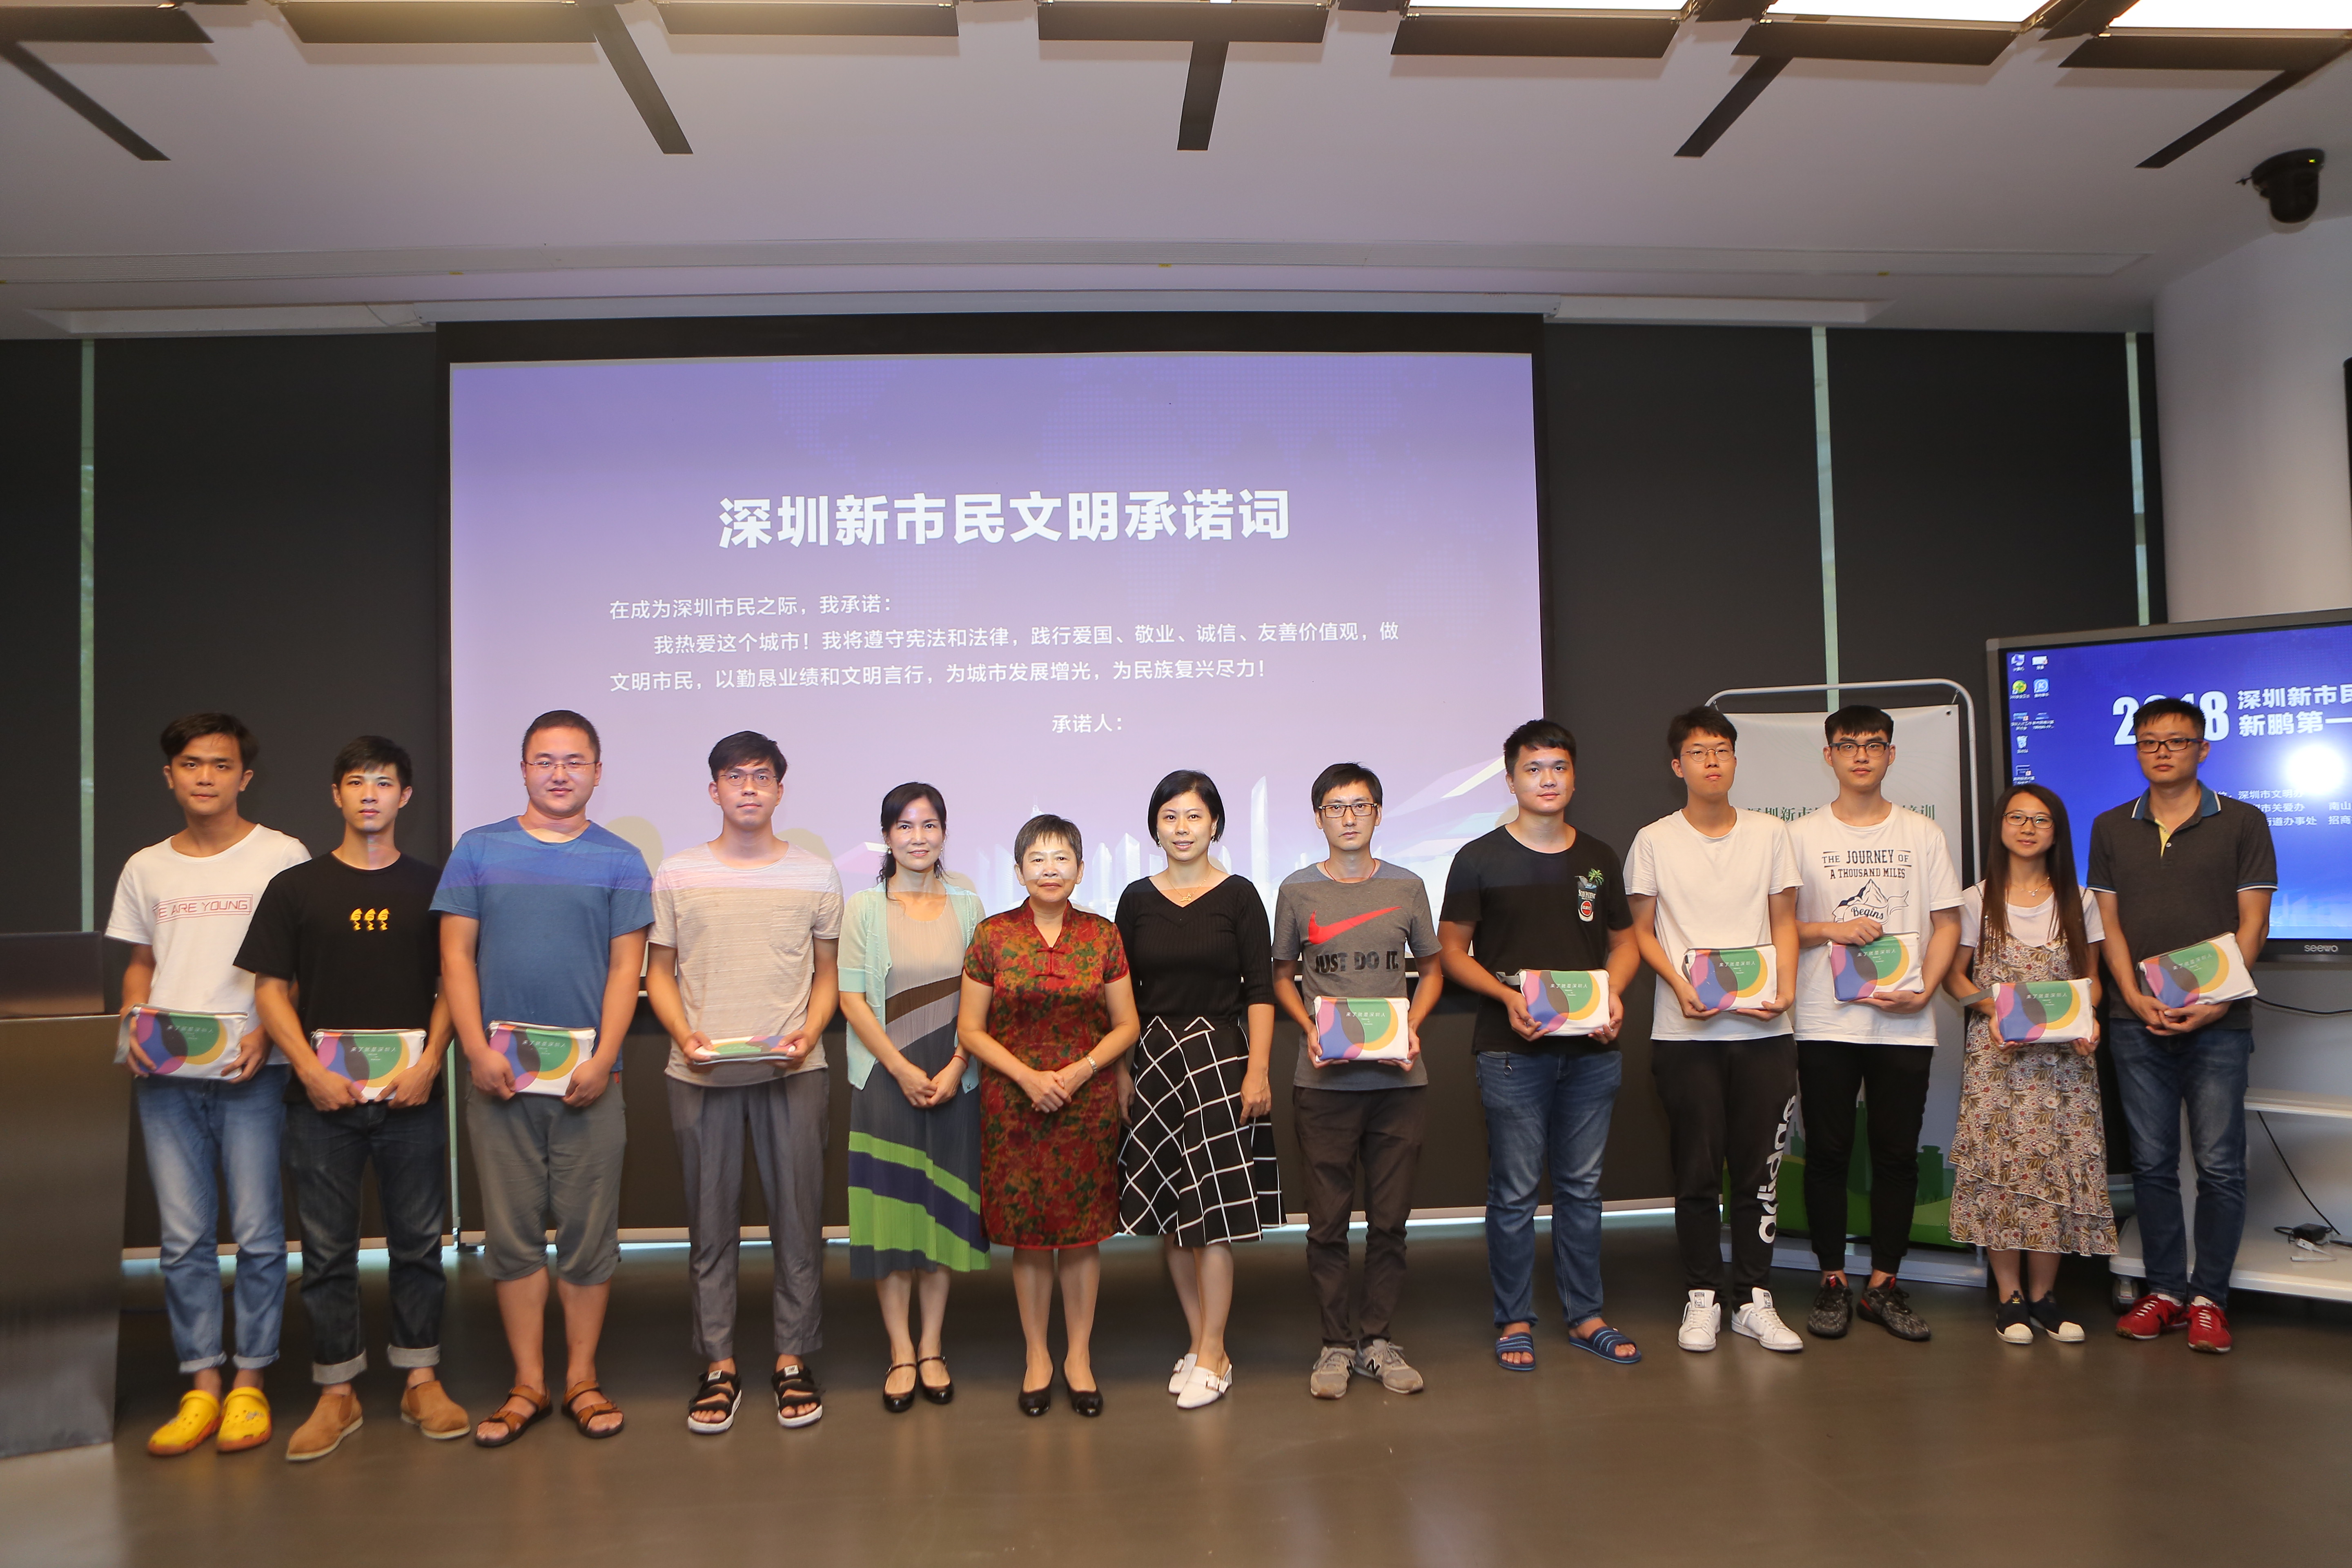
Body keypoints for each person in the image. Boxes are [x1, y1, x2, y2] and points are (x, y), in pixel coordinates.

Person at [238, 735, 468, 1461]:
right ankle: (336, 1392)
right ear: (336, 795)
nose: (371, 794)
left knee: (419, 1246)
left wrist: (430, 1063)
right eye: (357, 782)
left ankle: (421, 1379)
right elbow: (270, 990)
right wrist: (308, 1070)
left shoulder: (436, 886)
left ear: (406, 797)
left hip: (412, 1098)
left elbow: (453, 987)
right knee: (328, 1252)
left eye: (385, 782)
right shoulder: (296, 888)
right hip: (321, 1102)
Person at [433, 709, 653, 1445]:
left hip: (591, 1081)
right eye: (545, 761)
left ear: (598, 772)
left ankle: (582, 1379)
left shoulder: (621, 859)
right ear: (524, 769)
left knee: (590, 1237)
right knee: (511, 1237)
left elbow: (626, 970)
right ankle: (527, 1383)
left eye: (575, 761)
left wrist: (605, 1057)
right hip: (499, 1079)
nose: (560, 774)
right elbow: (456, 957)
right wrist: (474, 1049)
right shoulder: (478, 849)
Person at [109, 713, 312, 1459]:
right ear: (170, 775)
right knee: (183, 1239)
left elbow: (298, 963)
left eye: (221, 765)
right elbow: (140, 963)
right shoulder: (146, 867)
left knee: (258, 1233)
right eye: (191, 764)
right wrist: (133, 1024)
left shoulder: (281, 855)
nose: (205, 777)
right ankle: (201, 1383)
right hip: (166, 1074)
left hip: (250, 1068)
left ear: (244, 777)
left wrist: (270, 1032)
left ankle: (250, 1382)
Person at [643, 732, 841, 1433]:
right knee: (709, 1227)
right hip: (701, 1073)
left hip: (794, 1070)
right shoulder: (678, 872)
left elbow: (827, 975)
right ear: (714, 790)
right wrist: (683, 1036)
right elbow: (658, 972)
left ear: (781, 790)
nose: (749, 787)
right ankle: (719, 1364)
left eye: (761, 776)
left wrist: (810, 1035)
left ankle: (792, 1357)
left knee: (800, 1222)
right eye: (735, 776)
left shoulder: (816, 873)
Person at [1437, 721, 1643, 1375]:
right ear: (1511, 781)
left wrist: (1614, 994)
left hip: (1592, 1052)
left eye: (1558, 767)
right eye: (1533, 769)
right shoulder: (1478, 857)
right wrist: (1504, 997)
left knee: (1583, 1189)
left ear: (1574, 777)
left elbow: (1625, 944)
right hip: (1510, 1050)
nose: (1547, 779)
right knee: (1515, 1192)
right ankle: (1515, 1320)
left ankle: (1586, 1316)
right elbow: (1451, 951)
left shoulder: (1600, 858)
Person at [2090, 697, 2274, 1354]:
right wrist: (2131, 996)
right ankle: (2165, 1291)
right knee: (2152, 1164)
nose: (2162, 751)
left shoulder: (2244, 821)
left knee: (2221, 1166)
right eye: (2149, 741)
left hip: (2220, 1023)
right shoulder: (2111, 826)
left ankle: (2209, 1300)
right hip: (2136, 1022)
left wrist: (2220, 999)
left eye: (2176, 740)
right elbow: (2108, 926)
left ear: (2203, 748)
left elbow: (2254, 921)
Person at [1627, 706, 1805, 1355]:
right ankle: (1702, 1295)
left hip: (1764, 1032)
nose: (1712, 762)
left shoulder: (1770, 834)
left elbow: (1784, 922)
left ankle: (1755, 1299)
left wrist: (1786, 988)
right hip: (1686, 1036)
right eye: (1699, 752)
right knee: (1697, 1174)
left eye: (1723, 750)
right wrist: (1679, 987)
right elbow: (1641, 932)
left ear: (1735, 760)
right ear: (1678, 766)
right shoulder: (1654, 840)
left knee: (1760, 1174)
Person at [1788, 706, 1963, 1344]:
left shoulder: (1923, 834)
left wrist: (1925, 990)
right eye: (1848, 745)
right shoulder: (1800, 835)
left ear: (1891, 754)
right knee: (1827, 1155)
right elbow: (1780, 926)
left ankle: (1884, 1284)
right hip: (1824, 1020)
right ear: (1829, 756)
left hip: (1904, 1023)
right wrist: (1831, 928)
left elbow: (1948, 923)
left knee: (1896, 1157)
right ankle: (1832, 1280)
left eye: (1874, 744)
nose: (1861, 755)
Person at [1274, 763, 1446, 1398]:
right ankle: (1335, 1346)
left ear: (1378, 813)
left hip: (1399, 1084)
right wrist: (1308, 1028)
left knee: (1390, 1223)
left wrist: (1414, 1026)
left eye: (1360, 806)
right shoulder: (1297, 890)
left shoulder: (1407, 886)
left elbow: (1432, 970)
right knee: (1326, 1225)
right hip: (1324, 1085)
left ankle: (1377, 1341)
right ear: (1318, 818)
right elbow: (1281, 977)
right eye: (1336, 808)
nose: (1349, 818)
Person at [958, 815, 1140, 1417]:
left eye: (1062, 859)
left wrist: (1082, 1071)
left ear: (1080, 870)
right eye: (1037, 859)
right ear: (1018, 871)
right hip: (1014, 1105)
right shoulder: (992, 937)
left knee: (1083, 1236)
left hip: (1086, 1106)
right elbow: (971, 1030)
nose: (1050, 870)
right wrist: (1029, 1078)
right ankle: (1037, 1355)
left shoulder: (1102, 937)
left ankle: (1078, 1357)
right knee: (1030, 1238)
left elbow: (1127, 1025)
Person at [1118, 771, 1281, 1411]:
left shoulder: (1239, 896)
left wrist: (1258, 1069)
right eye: (1170, 817)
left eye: (1193, 816)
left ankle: (1216, 1351)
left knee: (1212, 1212)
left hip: (1220, 1055)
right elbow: (1122, 998)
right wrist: (1123, 1069)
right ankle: (1198, 1341)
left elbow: (1260, 990)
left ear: (1215, 825)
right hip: (1155, 1057)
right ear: (1155, 827)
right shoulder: (1135, 899)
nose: (1182, 828)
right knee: (1170, 1211)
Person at [1944, 784, 2114, 1344]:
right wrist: (1994, 1010)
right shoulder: (1975, 899)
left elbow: (2091, 982)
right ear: (2001, 827)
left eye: (2041, 820)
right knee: (2002, 1171)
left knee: (2055, 1170)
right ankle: (2010, 1297)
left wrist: (2088, 1022)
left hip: (2064, 1064)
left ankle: (2045, 1298)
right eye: (2017, 817)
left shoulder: (2080, 900)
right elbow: (1954, 978)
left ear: (2056, 832)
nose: (2027, 828)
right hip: (1999, 1059)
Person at [837, 782, 987, 1413]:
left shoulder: (970, 905)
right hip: (884, 1079)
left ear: (944, 833)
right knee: (893, 1218)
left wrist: (958, 1065)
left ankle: (932, 1347)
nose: (918, 837)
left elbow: (982, 997)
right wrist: (900, 1069)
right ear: (887, 836)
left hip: (955, 1079)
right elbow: (851, 1000)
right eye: (904, 826)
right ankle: (900, 1350)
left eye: (929, 825)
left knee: (941, 1217)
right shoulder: (864, 908)